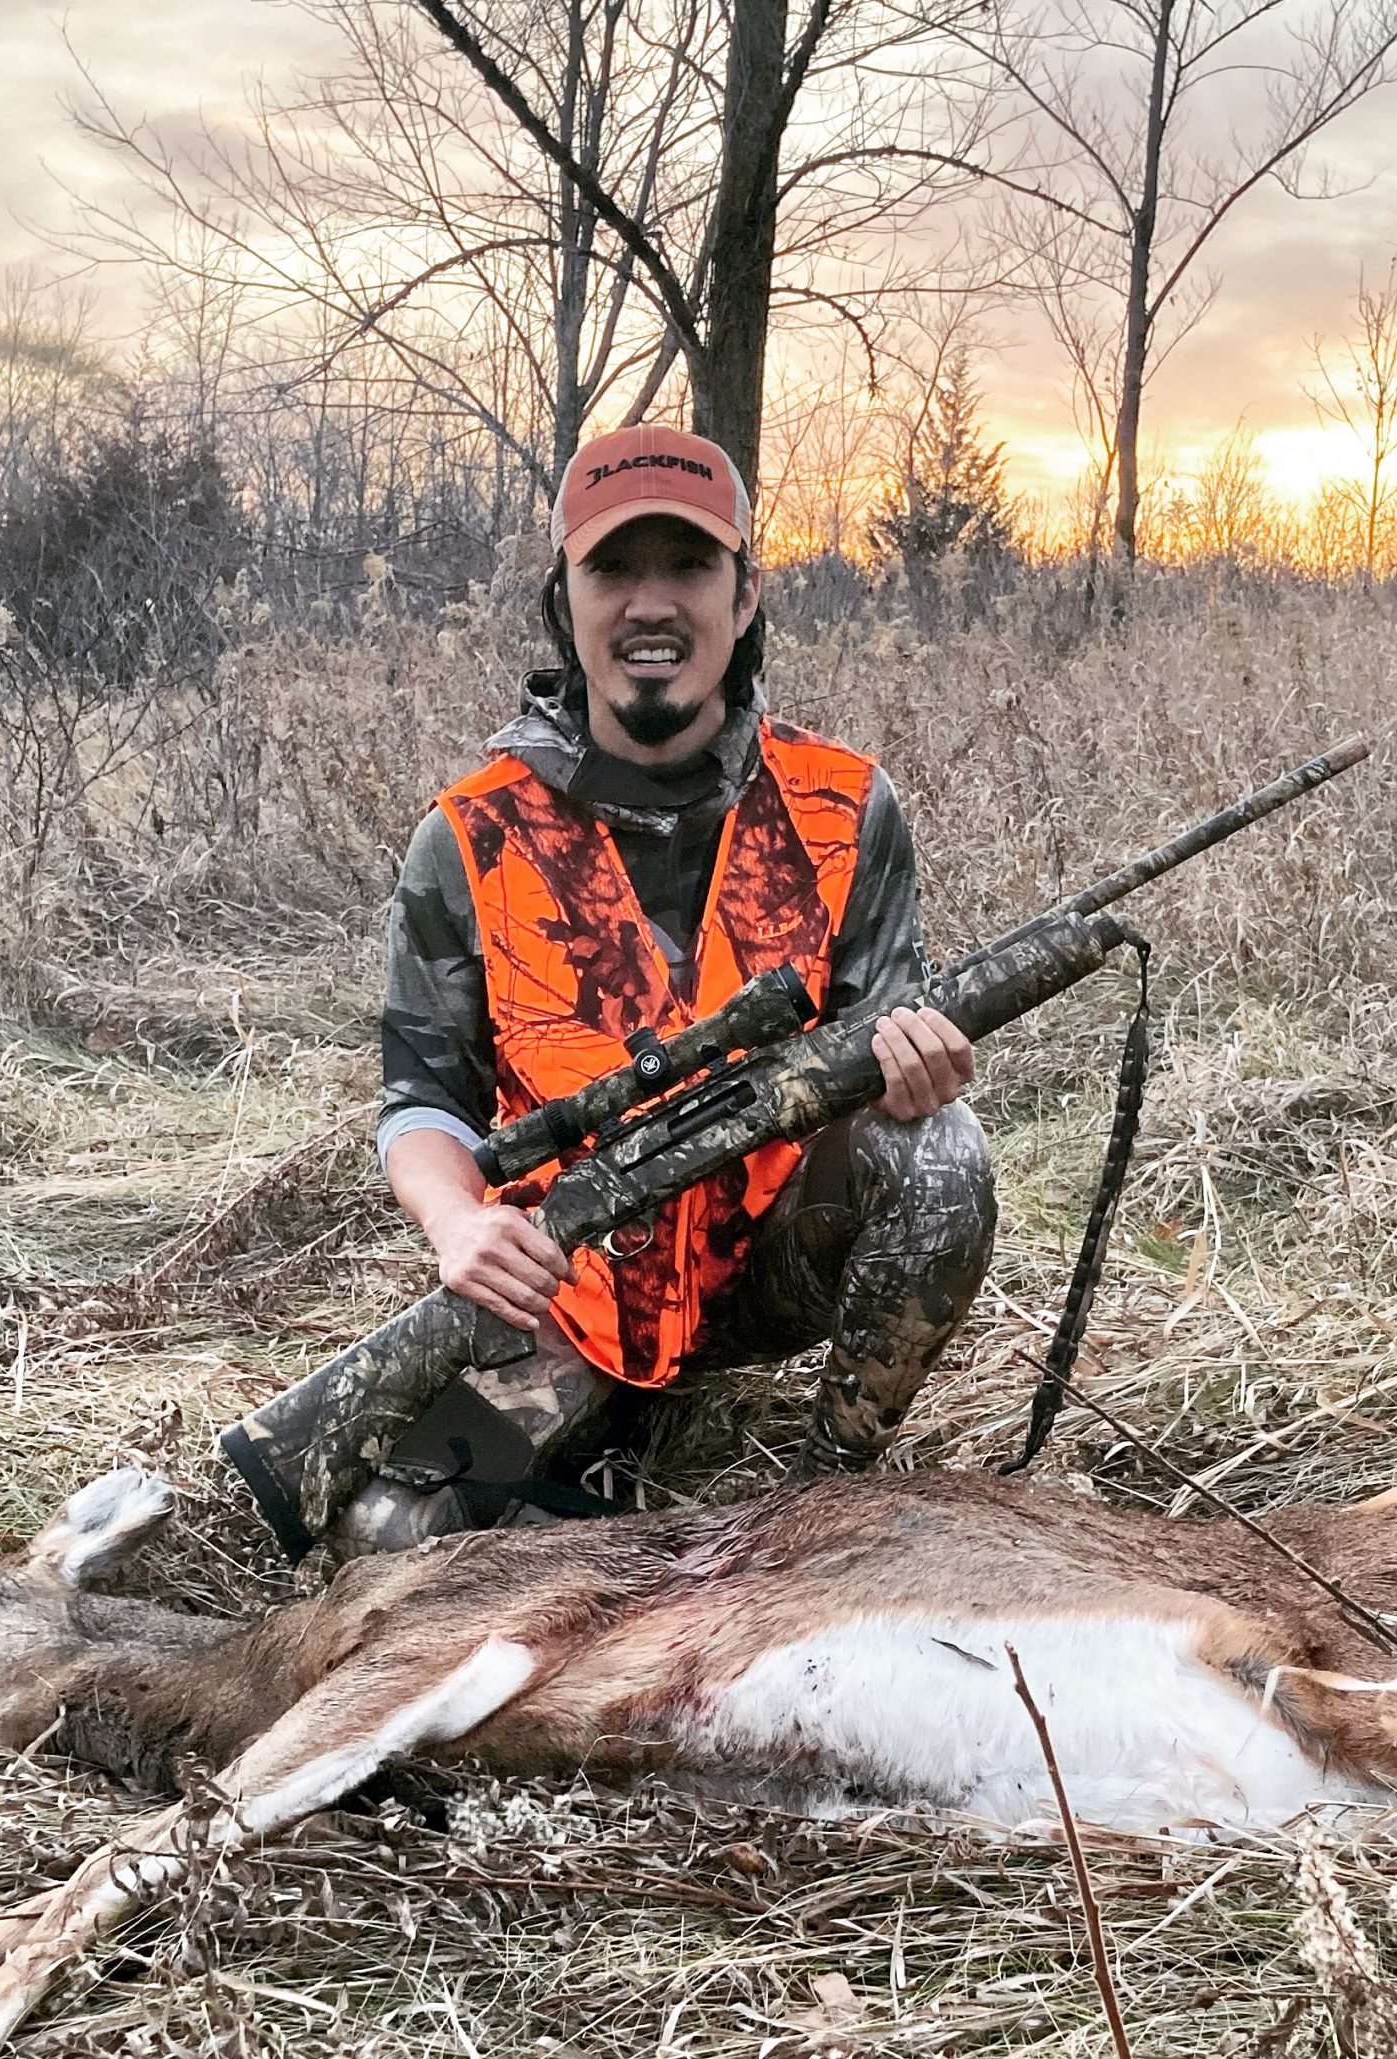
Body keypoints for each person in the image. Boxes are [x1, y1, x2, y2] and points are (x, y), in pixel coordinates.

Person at [345, 424, 996, 1555]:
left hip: (767, 1264)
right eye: (613, 568)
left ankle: (815, 1508)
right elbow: (421, 1101)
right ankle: (610, 1424)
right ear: (566, 600)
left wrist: (909, 1083)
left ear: (745, 596)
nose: (651, 604)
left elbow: (883, 1039)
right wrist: (458, 1224)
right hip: (574, 1287)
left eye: (688, 565)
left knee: (943, 1152)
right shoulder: (469, 836)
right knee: (392, 1535)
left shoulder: (845, 808)